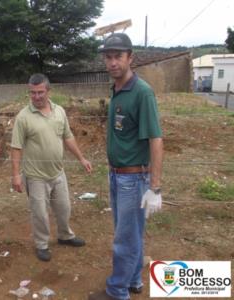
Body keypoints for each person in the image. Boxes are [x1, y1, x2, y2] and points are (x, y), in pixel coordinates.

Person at [88, 33, 163, 300]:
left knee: (124, 239)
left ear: (130, 58)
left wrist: (155, 187)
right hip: (118, 175)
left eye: (118, 56)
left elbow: (156, 138)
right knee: (132, 233)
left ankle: (116, 292)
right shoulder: (117, 90)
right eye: (108, 57)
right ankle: (133, 281)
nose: (112, 62)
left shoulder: (142, 92)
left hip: (133, 178)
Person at [11, 73, 92, 262]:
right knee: (40, 213)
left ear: (48, 91)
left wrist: (81, 158)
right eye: (32, 93)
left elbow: (68, 137)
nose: (37, 97)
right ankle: (42, 244)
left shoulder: (59, 111)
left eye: (40, 92)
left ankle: (65, 236)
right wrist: (15, 175)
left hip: (58, 172)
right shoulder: (23, 117)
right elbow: (16, 147)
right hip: (35, 176)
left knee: (64, 208)